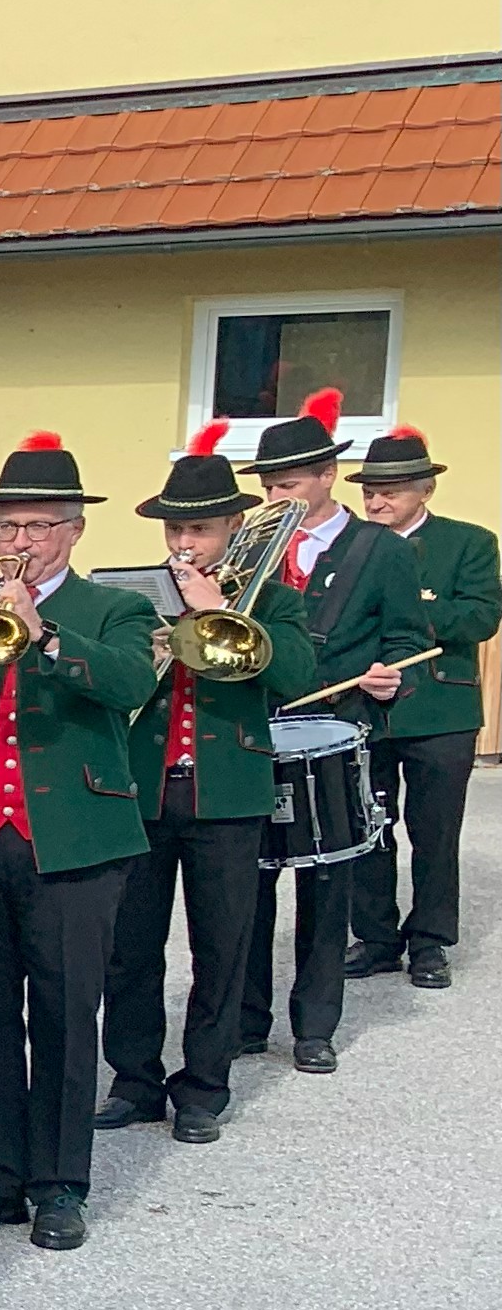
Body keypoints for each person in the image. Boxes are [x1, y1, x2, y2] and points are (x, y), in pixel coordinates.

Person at [0, 436, 161, 1252]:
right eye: (7, 526)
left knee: (62, 1014)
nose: (19, 542)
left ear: (73, 530)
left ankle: (58, 1184)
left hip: (73, 846)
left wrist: (45, 632)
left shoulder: (112, 609)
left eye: (36, 527)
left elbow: (131, 684)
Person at [100, 425, 314, 1145]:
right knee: (131, 945)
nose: (185, 542)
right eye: (177, 527)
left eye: (201, 527)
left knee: (222, 946)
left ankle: (204, 1087)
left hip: (228, 794)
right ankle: (133, 1080)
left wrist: (229, 610)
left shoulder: (273, 598)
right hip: (143, 790)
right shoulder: (133, 594)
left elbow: (296, 680)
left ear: (232, 527)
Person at [235, 387, 428, 1071]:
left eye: (288, 484)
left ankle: (315, 1025)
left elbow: (409, 641)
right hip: (255, 732)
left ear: (326, 477)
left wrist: (388, 678)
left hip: (336, 732)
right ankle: (245, 1019)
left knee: (327, 884)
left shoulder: (379, 549)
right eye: (267, 485)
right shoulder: (245, 545)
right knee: (244, 888)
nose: (276, 496)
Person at [345, 426, 491, 990]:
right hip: (365, 705)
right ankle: (376, 938)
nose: (378, 502)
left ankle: (431, 942)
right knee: (368, 827)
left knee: (435, 832)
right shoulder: (350, 545)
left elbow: (480, 618)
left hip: (439, 709)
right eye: (370, 493)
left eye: (393, 492)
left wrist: (408, 612)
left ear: (425, 491)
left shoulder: (468, 542)